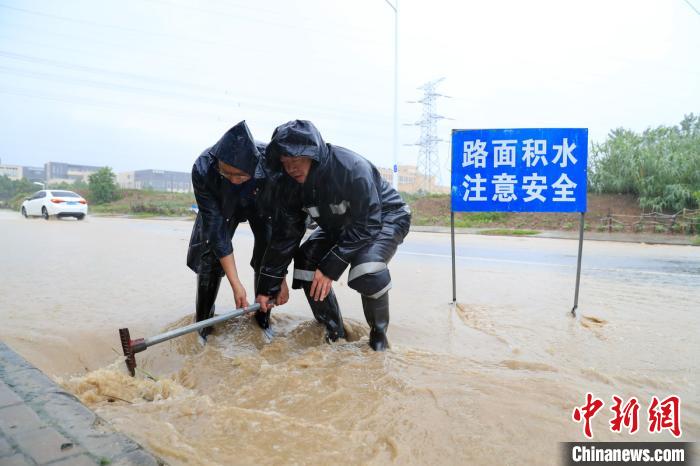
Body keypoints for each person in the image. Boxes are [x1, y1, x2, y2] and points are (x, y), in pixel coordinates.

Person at [255, 120, 411, 351]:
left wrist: (330, 267)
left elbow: (367, 223)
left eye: (297, 160)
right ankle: (333, 331)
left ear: (313, 154)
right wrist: (268, 285)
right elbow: (285, 235)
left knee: (366, 269)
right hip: (338, 225)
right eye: (285, 162)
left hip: (383, 218)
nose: (291, 168)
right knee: (307, 258)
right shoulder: (289, 185)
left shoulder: (351, 169)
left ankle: (378, 337)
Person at [186, 120, 288, 341]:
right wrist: (236, 284)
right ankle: (203, 325)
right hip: (221, 207)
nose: (234, 180)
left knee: (267, 252)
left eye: (240, 176)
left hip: (260, 204)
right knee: (210, 256)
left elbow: (281, 227)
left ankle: (262, 320)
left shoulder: (271, 165)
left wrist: (280, 277)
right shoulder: (203, 168)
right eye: (227, 174)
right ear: (217, 163)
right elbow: (216, 231)